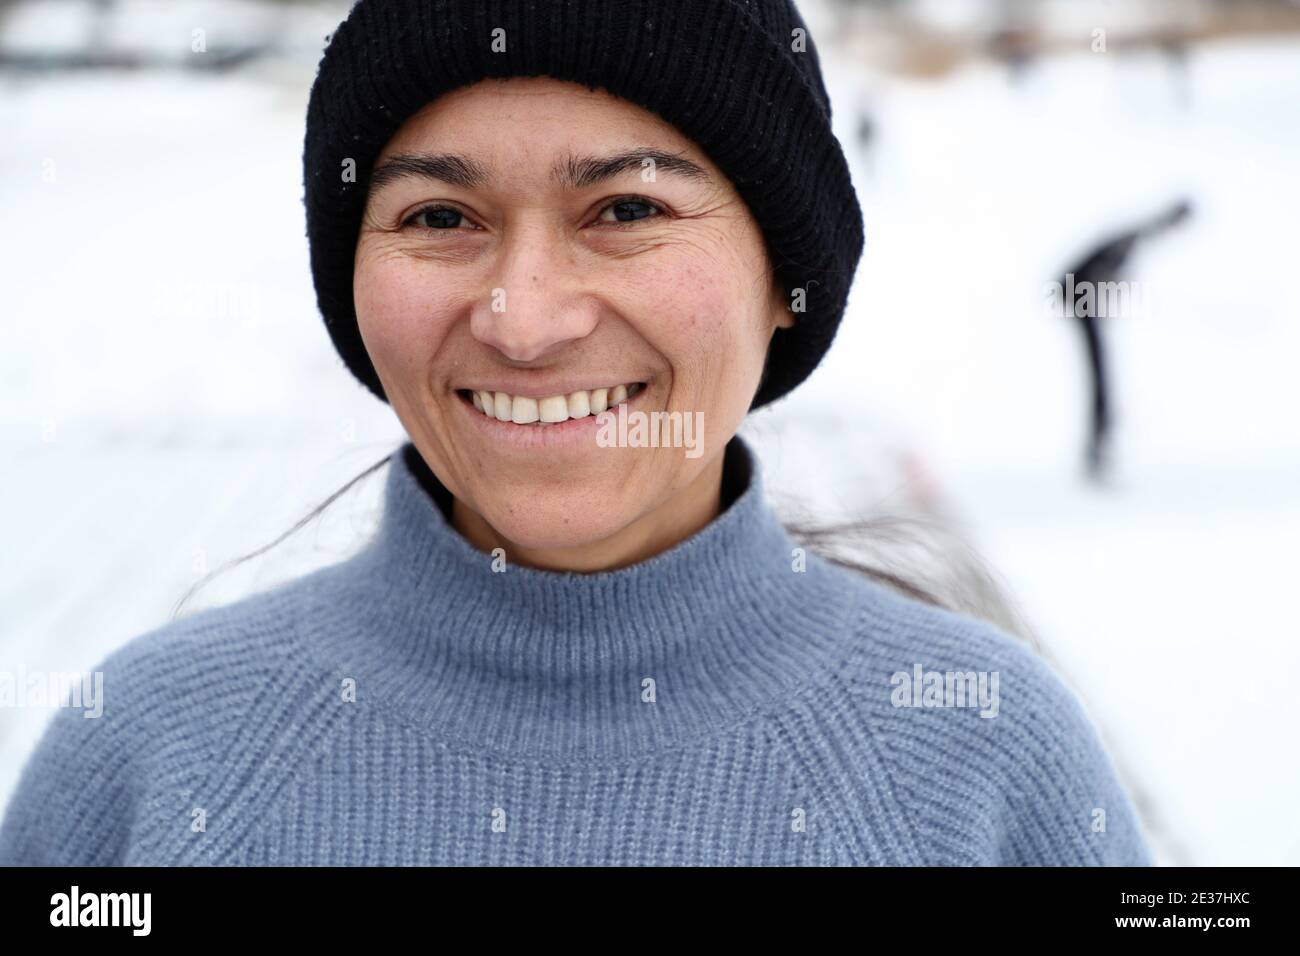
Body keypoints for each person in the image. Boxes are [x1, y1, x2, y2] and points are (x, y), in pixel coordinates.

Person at [0, 0, 1150, 866]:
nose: (526, 320)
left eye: (629, 209)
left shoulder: (988, 755)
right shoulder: (150, 752)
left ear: (782, 279)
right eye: (440, 216)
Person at [1060, 199, 1192, 481]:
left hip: (1081, 298)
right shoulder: (1133, 237)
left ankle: (1102, 438)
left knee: (1101, 371)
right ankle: (1100, 441)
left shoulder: (1134, 237)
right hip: (1078, 297)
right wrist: (1099, 296)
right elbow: (1094, 273)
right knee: (1100, 373)